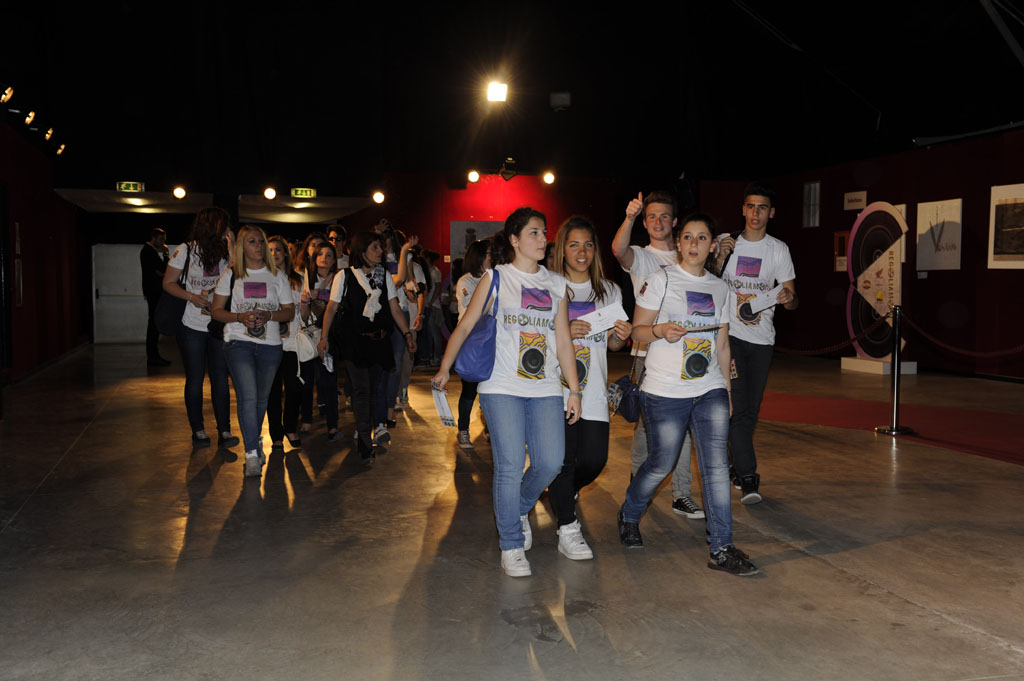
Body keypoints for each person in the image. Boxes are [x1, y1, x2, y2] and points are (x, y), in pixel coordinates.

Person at [432, 207, 582, 578]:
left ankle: (516, 507)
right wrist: (444, 367)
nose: (542, 238)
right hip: (501, 385)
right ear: (514, 240)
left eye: (543, 232)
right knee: (511, 465)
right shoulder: (496, 278)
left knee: (550, 462)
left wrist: (574, 389)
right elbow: (465, 326)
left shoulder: (557, 284)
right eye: (533, 232)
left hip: (545, 386)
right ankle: (511, 544)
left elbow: (563, 340)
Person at [618, 213, 760, 576]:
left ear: (713, 245)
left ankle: (722, 547)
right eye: (688, 238)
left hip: (709, 387)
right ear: (679, 243)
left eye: (702, 238)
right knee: (661, 464)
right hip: (664, 390)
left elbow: (723, 343)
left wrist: (727, 389)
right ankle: (630, 513)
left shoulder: (720, 288)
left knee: (714, 468)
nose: (694, 244)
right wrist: (661, 329)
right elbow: (637, 331)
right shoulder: (660, 280)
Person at [611, 191, 704, 519]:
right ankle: (637, 482)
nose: (659, 221)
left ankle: (681, 494)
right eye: (652, 216)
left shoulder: (688, 256)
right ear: (645, 222)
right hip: (648, 350)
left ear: (675, 221)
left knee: (687, 423)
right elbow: (618, 250)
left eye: (665, 216)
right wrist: (630, 216)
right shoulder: (642, 256)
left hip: (688, 352)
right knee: (648, 426)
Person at [548, 216, 632, 560]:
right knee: (564, 460)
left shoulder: (609, 290)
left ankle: (556, 491)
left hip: (594, 388)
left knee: (595, 460)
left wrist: (620, 337)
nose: (581, 252)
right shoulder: (550, 287)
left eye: (588, 245)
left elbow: (611, 345)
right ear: (561, 250)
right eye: (573, 244)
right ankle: (566, 526)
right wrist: (565, 328)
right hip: (556, 388)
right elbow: (536, 338)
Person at [712, 182, 797, 504]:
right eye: (751, 206)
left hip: (762, 341)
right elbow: (707, 281)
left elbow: (791, 299)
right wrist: (719, 257)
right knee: (737, 410)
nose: (756, 213)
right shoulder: (726, 244)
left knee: (750, 410)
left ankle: (735, 464)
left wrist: (788, 299)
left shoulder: (778, 250)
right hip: (729, 337)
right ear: (742, 210)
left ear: (771, 213)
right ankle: (749, 477)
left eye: (762, 207)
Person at [318, 231, 417, 463]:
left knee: (373, 391)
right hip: (355, 342)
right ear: (362, 251)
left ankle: (366, 433)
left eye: (380, 247)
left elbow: (394, 308)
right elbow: (331, 308)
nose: (380, 251)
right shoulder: (344, 276)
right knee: (362, 391)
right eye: (375, 247)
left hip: (379, 341)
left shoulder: (384, 277)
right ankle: (364, 440)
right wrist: (324, 337)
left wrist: (407, 334)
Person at [210, 225, 294, 477]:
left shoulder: (277, 275)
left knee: (260, 399)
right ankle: (251, 453)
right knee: (247, 397)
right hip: (238, 342)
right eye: (252, 242)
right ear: (242, 247)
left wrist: (269, 314)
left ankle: (254, 441)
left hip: (270, 345)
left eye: (261, 241)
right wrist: (239, 316)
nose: (258, 246)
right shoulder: (231, 275)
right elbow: (216, 311)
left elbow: (289, 311)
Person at [162, 207, 240, 449]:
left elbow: (241, 278)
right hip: (192, 325)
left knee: (220, 378)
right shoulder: (186, 250)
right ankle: (198, 429)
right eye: (225, 226)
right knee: (195, 379)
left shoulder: (228, 253)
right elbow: (168, 283)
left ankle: (224, 430)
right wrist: (191, 296)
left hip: (218, 324)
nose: (228, 230)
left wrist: (233, 247)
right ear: (213, 226)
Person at [299, 242, 341, 440]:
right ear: (314, 258)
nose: (324, 258)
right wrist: (306, 300)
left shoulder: (340, 279)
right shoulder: (306, 280)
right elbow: (304, 315)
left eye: (329, 255)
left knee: (329, 382)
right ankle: (306, 419)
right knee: (306, 381)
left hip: (331, 337)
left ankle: (333, 425)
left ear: (334, 260)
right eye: (320, 254)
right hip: (309, 335)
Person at [266, 235, 304, 451]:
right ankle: (276, 433)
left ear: (285, 253)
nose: (274, 254)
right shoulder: (260, 279)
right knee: (272, 392)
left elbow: (303, 314)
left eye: (278, 250)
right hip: (269, 343)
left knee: (294, 389)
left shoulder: (298, 280)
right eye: (269, 250)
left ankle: (291, 426)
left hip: (292, 344)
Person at [452, 239, 491, 449]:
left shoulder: (495, 278)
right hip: (471, 342)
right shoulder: (466, 281)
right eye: (489, 254)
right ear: (479, 257)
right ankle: (463, 429)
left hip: (491, 341)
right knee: (469, 389)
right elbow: (471, 313)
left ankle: (490, 427)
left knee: (490, 389)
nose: (492, 258)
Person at [141, 227, 170, 366]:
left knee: (154, 323)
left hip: (153, 291)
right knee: (153, 323)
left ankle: (153, 356)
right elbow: (163, 270)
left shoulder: (149, 251)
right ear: (154, 237)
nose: (163, 242)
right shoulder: (148, 251)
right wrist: (165, 254)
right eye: (161, 239)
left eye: (164, 239)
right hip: (153, 292)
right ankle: (152, 357)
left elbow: (162, 271)